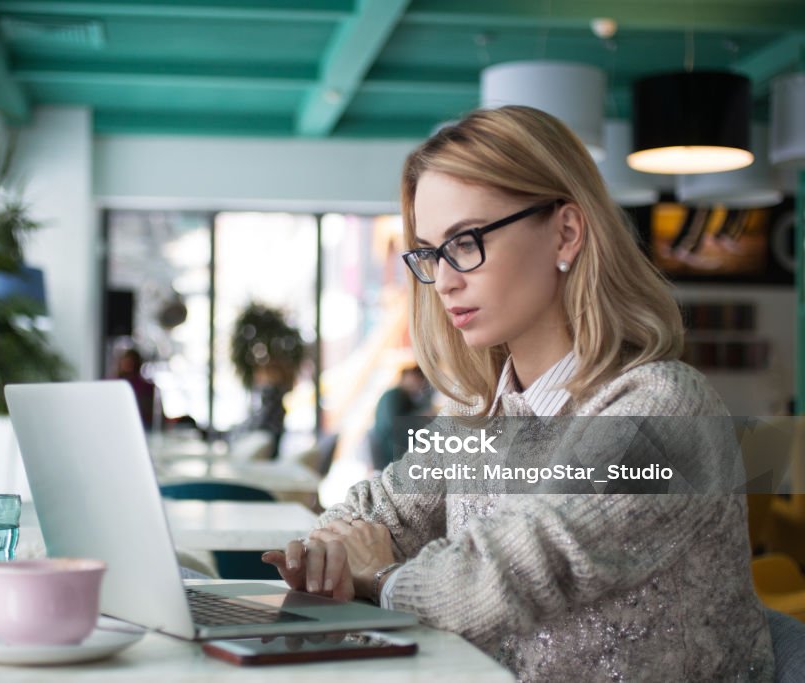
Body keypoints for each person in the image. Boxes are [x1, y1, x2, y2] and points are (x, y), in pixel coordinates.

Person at [262, 106, 774, 680]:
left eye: (466, 241)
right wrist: (332, 548)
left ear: (566, 232)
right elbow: (382, 510)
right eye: (431, 252)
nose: (446, 280)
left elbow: (519, 569)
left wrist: (383, 578)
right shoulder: (478, 414)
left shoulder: (663, 410)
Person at [368, 365, 432, 471]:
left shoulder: (406, 397)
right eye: (417, 379)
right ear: (407, 376)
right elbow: (393, 424)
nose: (418, 384)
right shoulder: (394, 395)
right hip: (389, 452)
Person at [110, 348, 159, 430]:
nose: (127, 364)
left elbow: (149, 413)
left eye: (130, 361)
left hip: (141, 426)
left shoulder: (146, 387)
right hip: (117, 424)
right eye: (125, 361)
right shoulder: (112, 384)